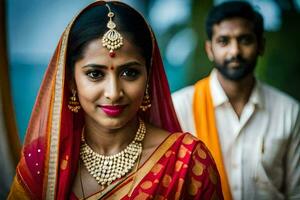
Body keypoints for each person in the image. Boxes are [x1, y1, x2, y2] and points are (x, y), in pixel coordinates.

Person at [8, 1, 224, 199]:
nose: (113, 92)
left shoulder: (186, 162)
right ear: (71, 81)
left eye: (129, 73)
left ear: (148, 78)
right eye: (95, 74)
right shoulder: (45, 162)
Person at [172, 1, 300, 200]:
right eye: (224, 41)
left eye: (245, 40)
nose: (235, 52)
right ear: (209, 49)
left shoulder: (289, 112)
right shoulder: (181, 107)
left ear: (261, 46)